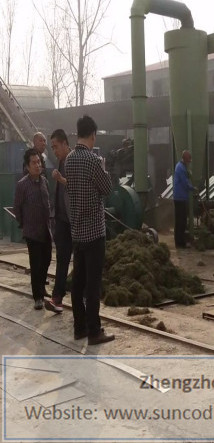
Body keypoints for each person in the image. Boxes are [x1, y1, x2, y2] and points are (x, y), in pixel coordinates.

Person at [65, 115, 114, 345]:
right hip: (94, 232)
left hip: (77, 232)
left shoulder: (69, 160)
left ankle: (79, 327)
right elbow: (107, 188)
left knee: (78, 283)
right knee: (93, 284)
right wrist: (104, 168)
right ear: (92, 135)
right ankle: (95, 331)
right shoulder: (93, 161)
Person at [14, 149, 52, 310]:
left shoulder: (45, 181)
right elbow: (17, 207)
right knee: (35, 264)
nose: (38, 165)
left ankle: (41, 287)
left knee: (47, 259)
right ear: (27, 166)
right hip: (31, 231)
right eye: (34, 163)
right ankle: (37, 297)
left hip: (45, 229)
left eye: (39, 162)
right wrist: (24, 225)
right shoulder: (22, 185)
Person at [45, 129, 72, 314]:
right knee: (62, 259)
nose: (54, 151)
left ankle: (80, 297)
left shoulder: (73, 161)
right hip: (62, 220)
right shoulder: (61, 161)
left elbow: (77, 185)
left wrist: (61, 180)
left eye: (56, 147)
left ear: (64, 143)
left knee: (78, 260)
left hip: (74, 221)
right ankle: (57, 298)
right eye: (52, 148)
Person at [173, 150, 197, 248]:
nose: (189, 163)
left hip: (180, 197)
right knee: (181, 221)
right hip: (180, 198)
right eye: (189, 160)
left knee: (180, 220)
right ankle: (180, 242)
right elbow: (185, 183)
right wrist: (193, 188)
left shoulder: (180, 166)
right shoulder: (181, 169)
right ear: (185, 159)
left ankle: (178, 240)